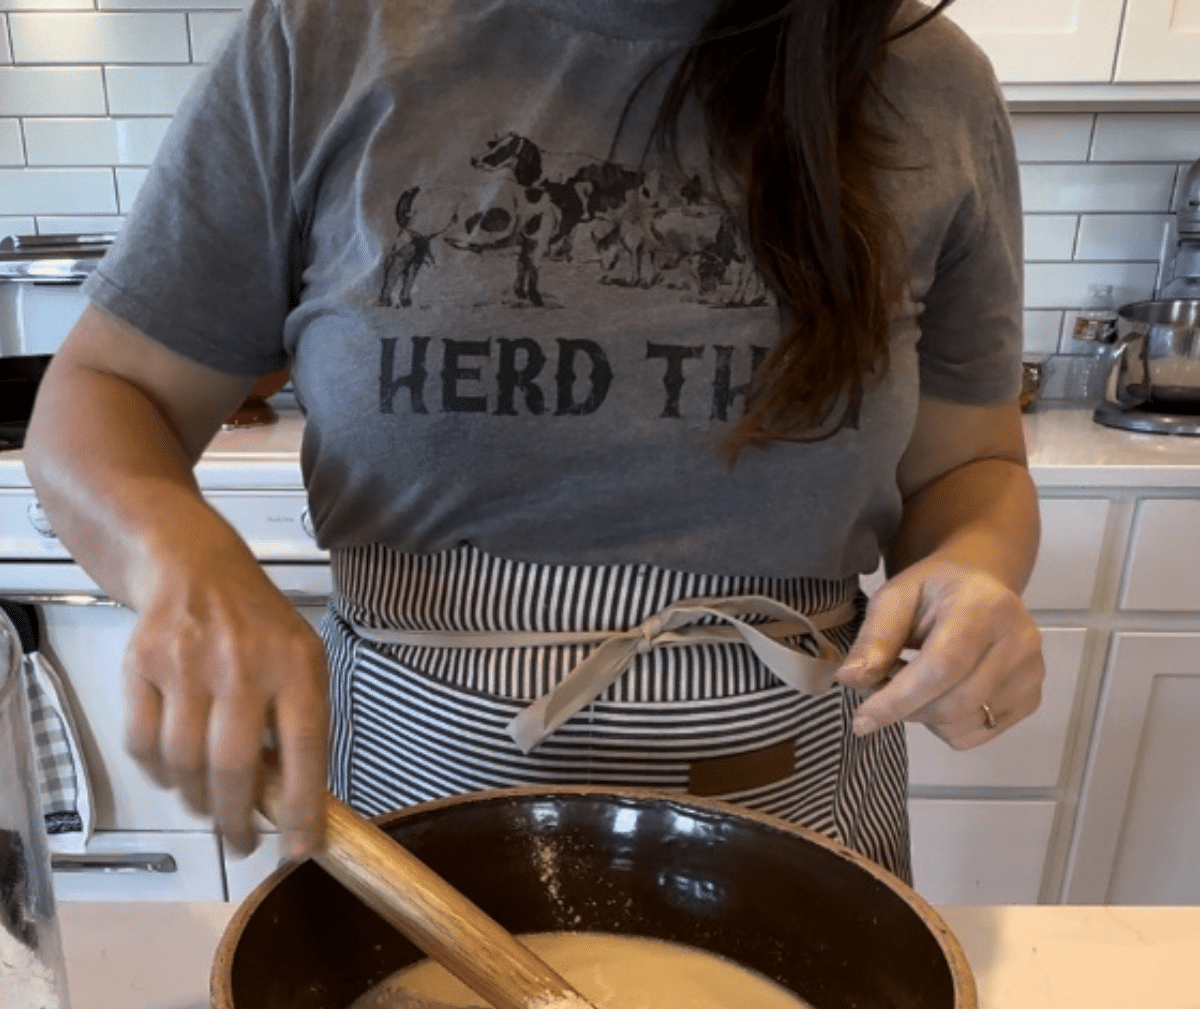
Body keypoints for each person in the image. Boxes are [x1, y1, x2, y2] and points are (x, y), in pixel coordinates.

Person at [25, 0, 1043, 882]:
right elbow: (102, 396)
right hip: (409, 816)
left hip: (788, 795)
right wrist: (185, 567)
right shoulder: (325, 41)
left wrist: (976, 568)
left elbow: (970, 466)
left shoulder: (929, 82)